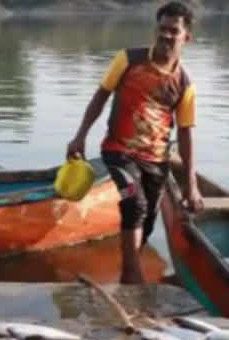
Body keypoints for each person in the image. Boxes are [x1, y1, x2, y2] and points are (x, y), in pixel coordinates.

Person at [67, 1, 203, 284]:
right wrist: (80, 135)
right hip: (119, 151)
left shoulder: (185, 83)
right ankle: (132, 275)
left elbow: (186, 132)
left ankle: (127, 271)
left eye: (173, 31)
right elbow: (101, 95)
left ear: (186, 37)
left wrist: (191, 185)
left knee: (148, 223)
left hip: (156, 160)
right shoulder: (128, 59)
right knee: (134, 202)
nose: (166, 36)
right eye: (162, 29)